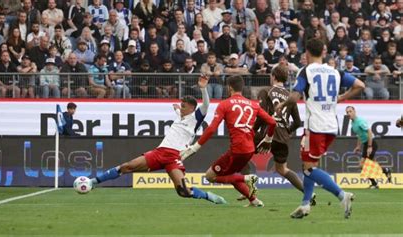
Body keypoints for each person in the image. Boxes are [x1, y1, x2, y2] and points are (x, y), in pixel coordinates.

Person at [89, 77, 228, 204]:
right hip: (159, 152)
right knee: (127, 166)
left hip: (174, 157)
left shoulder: (195, 118)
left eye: (184, 106)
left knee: (184, 191)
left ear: (192, 108)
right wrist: (178, 108)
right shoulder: (180, 116)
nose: (181, 108)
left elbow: (206, 105)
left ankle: (209, 196)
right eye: (181, 106)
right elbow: (178, 110)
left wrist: (203, 88)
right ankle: (93, 182)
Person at [279, 38, 365, 219]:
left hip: (315, 127)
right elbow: (360, 85)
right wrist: (341, 97)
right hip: (332, 127)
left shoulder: (306, 71)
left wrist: (282, 106)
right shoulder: (335, 71)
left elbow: (294, 97)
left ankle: (342, 196)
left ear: (307, 53)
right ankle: (304, 205)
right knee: (309, 165)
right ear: (323, 52)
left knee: (308, 169)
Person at [180, 75, 277, 207]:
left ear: (229, 87)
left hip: (237, 149)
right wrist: (268, 139)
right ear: (241, 88)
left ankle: (247, 178)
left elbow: (211, 129)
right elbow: (272, 122)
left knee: (210, 176)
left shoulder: (224, 104)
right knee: (229, 175)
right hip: (249, 150)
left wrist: (194, 147)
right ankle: (254, 200)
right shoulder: (254, 105)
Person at [253, 65, 317, 204]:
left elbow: (261, 115)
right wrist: (286, 131)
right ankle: (308, 193)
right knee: (282, 169)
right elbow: (298, 122)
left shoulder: (265, 91)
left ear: (274, 76)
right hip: (282, 137)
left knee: (242, 152)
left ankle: (249, 193)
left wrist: (253, 129)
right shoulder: (290, 96)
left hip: (267, 133)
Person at [345, 106, 392, 188]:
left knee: (362, 165)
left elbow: (369, 132)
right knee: (372, 164)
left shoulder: (360, 121)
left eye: (350, 111)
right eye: (347, 112)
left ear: (354, 111)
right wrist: (358, 146)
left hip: (371, 143)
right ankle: (385, 171)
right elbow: (359, 135)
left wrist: (370, 146)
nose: (349, 113)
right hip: (366, 144)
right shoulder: (353, 123)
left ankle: (375, 183)